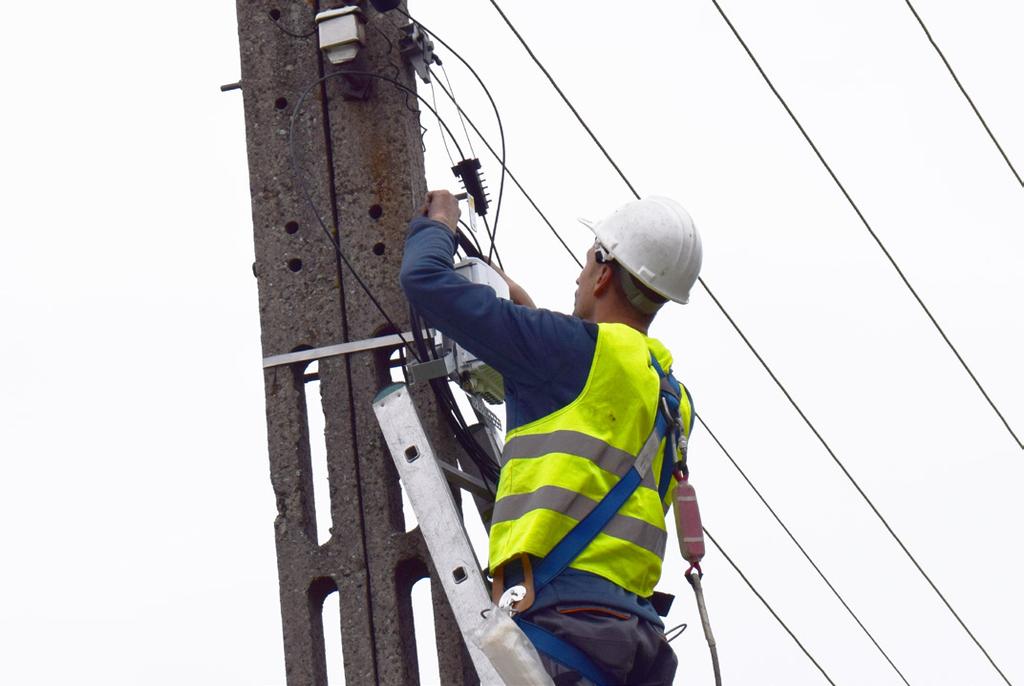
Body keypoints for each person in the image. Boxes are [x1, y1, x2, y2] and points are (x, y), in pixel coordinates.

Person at [400, 189, 702, 686]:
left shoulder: (570, 355)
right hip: (633, 640)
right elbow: (588, 438)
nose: (579, 276)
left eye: (586, 264)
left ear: (604, 272)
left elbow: (425, 280)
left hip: (566, 628)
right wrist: (522, 309)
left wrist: (440, 225)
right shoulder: (671, 397)